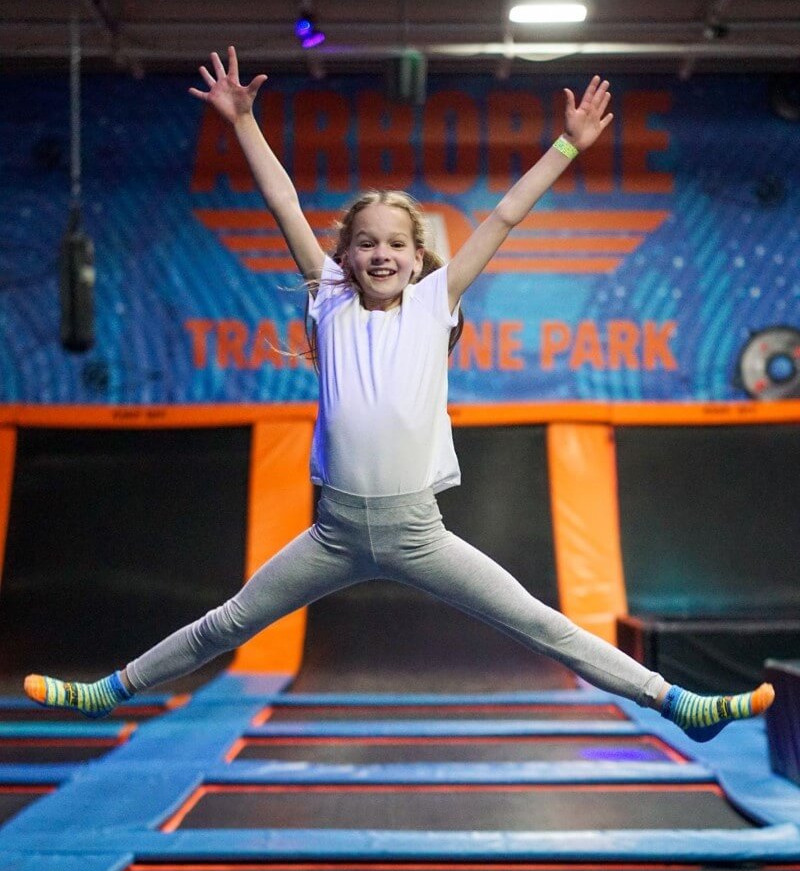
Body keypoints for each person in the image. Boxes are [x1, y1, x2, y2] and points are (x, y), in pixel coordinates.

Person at [25, 47, 774, 739]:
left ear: (419, 258)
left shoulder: (433, 302)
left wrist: (569, 143)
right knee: (225, 623)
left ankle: (678, 703)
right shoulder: (328, 299)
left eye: (396, 244)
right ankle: (108, 690)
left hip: (420, 533)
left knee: (542, 625)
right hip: (334, 534)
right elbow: (284, 202)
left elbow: (506, 215)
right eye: (366, 242)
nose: (380, 253)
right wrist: (245, 122)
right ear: (345, 254)